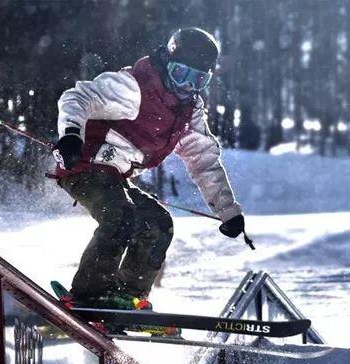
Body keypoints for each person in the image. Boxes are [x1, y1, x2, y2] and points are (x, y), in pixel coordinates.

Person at [53, 27, 245, 311]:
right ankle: (88, 295)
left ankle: (127, 296)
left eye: (198, 80)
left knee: (158, 224)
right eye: (182, 75)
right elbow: (77, 98)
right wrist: (70, 135)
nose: (187, 87)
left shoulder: (187, 112)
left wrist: (228, 211)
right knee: (120, 216)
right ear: (169, 62)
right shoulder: (134, 88)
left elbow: (204, 160)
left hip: (115, 176)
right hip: (82, 164)